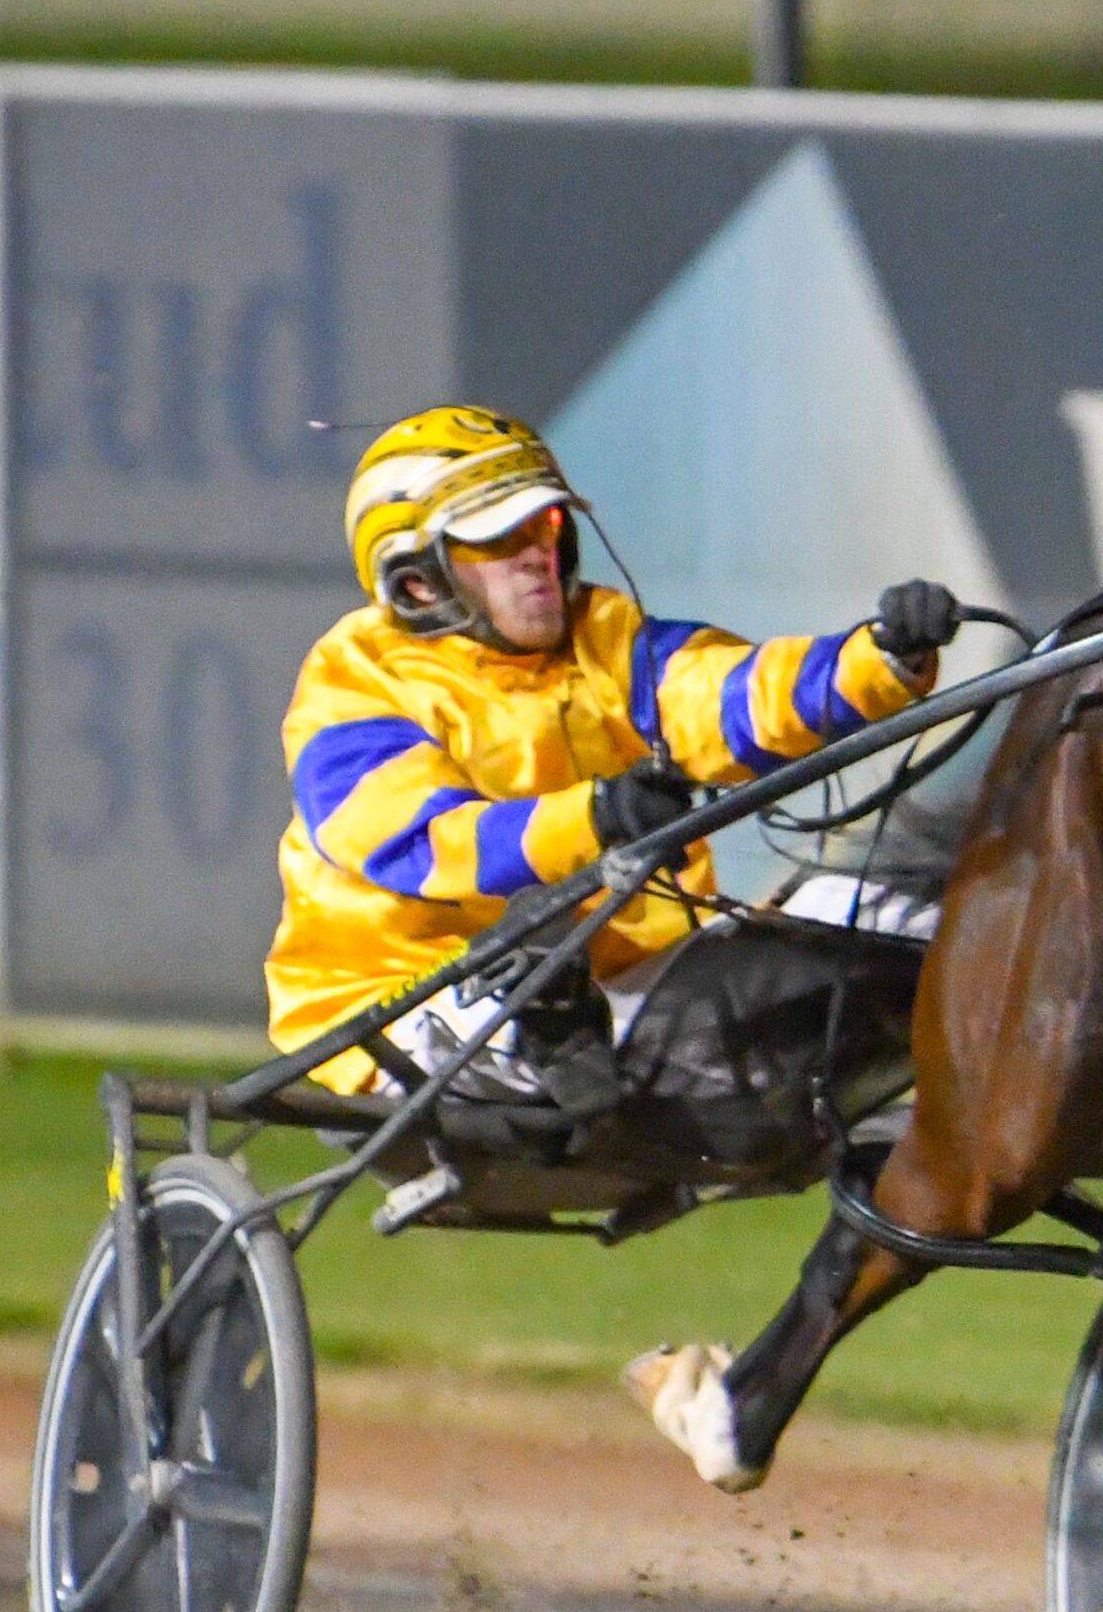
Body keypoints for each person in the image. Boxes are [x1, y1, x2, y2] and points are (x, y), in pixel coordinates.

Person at [265, 402, 960, 1106]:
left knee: (912, 918)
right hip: (408, 1004)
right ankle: (563, 1046)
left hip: (616, 980)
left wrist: (880, 658)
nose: (538, 553)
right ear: (418, 582)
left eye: (548, 525)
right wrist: (596, 817)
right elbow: (428, 846)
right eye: (500, 539)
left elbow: (731, 695)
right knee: (529, 978)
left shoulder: (608, 637)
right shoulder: (353, 687)